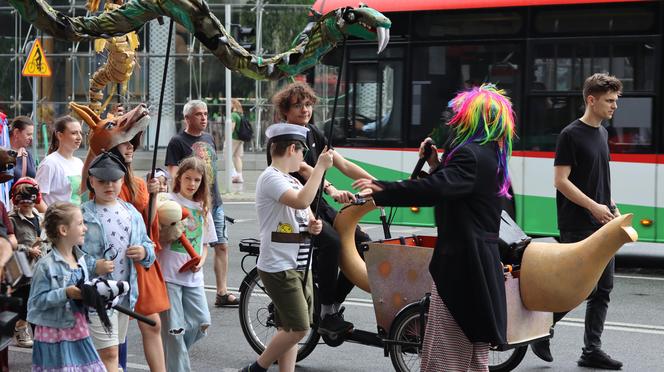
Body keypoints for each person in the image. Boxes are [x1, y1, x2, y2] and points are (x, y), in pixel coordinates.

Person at [353, 84, 515, 371]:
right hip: (478, 266)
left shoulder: (472, 156)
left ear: (471, 119)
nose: (453, 122)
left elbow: (435, 189)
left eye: (458, 117)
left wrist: (382, 189)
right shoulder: (490, 153)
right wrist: (435, 162)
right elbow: (451, 187)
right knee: (473, 358)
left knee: (445, 356)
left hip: (464, 269)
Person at [529, 73, 623, 370]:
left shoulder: (603, 134)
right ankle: (540, 329)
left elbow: (598, 178)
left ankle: (591, 350)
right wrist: (593, 206)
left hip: (603, 219)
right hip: (577, 221)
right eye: (609, 101)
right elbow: (561, 181)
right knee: (583, 287)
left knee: (603, 288)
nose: (614, 106)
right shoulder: (570, 134)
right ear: (591, 100)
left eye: (615, 101)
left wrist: (610, 205)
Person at [270, 81, 374, 336]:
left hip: (319, 205)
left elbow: (343, 164)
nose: (305, 109)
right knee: (332, 242)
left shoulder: (313, 132)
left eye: (307, 104)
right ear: (285, 110)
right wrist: (332, 189)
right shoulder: (285, 136)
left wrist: (381, 185)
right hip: (297, 207)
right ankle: (327, 313)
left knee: (363, 244)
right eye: (298, 106)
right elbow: (303, 168)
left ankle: (333, 304)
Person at [240, 124, 331, 372]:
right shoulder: (270, 177)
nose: (303, 159)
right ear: (292, 149)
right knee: (300, 327)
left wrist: (313, 224)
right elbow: (302, 199)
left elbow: (305, 209)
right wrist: (320, 168)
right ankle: (257, 368)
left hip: (300, 264)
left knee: (288, 329)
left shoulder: (289, 179)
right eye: (302, 153)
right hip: (280, 266)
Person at [81, 152, 156, 372]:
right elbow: (70, 256)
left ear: (122, 181)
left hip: (124, 296)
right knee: (109, 352)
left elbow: (148, 246)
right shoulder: (82, 215)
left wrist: (143, 252)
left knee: (113, 350)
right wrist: (95, 265)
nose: (109, 186)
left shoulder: (131, 212)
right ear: (91, 181)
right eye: (102, 181)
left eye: (114, 180)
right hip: (96, 296)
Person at [165, 100, 238, 307]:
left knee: (222, 245)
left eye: (205, 113)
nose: (204, 117)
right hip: (191, 205)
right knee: (193, 246)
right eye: (199, 114)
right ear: (187, 118)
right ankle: (183, 285)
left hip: (214, 201)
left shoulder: (208, 138)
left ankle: (222, 292)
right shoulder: (177, 141)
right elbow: (173, 174)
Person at [109, 141, 169, 372]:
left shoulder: (138, 183)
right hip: (114, 262)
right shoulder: (104, 180)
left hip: (140, 260)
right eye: (125, 143)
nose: (131, 147)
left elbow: (147, 224)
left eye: (133, 143)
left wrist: (153, 196)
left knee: (152, 323)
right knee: (112, 330)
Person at [27, 202, 106, 372]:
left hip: (78, 329)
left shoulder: (81, 260)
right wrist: (66, 293)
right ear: (63, 230)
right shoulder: (45, 266)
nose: (84, 228)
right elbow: (36, 302)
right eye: (79, 224)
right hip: (54, 334)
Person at [158, 156, 213, 371]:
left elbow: (206, 244)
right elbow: (153, 235)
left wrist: (202, 262)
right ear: (179, 178)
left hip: (193, 277)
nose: (192, 184)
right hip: (168, 276)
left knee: (201, 323)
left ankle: (174, 354)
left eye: (197, 180)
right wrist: (165, 234)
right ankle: (177, 361)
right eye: (188, 178)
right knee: (175, 331)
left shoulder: (202, 208)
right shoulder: (167, 201)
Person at [9, 178, 43, 349]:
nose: (26, 203)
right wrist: (27, 249)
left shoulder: (40, 217)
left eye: (30, 198)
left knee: (37, 302)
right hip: (21, 269)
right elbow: (8, 243)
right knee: (26, 302)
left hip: (39, 268)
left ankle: (40, 336)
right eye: (21, 198)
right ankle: (20, 327)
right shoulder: (12, 219)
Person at [35, 115, 84, 207]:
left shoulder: (79, 163)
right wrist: (51, 218)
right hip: (56, 219)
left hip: (76, 218)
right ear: (60, 135)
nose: (79, 137)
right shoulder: (49, 163)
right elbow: (37, 199)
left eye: (80, 133)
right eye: (74, 133)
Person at [9, 116, 36, 182]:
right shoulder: (3, 156)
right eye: (28, 134)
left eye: (32, 134)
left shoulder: (27, 155)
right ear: (16, 132)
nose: (31, 138)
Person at [231, 98, 246, 183]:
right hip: (240, 139)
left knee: (227, 156)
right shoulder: (241, 114)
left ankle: (234, 174)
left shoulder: (233, 115)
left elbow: (232, 128)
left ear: (233, 105)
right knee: (237, 157)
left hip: (233, 138)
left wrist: (227, 138)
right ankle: (240, 176)